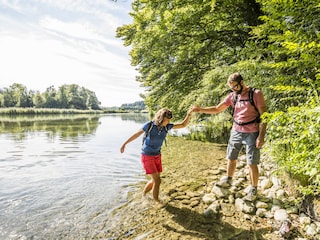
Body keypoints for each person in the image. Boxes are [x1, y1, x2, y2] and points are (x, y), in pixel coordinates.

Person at [193, 72, 267, 201]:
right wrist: (200, 109)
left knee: (252, 162)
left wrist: (261, 136)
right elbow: (217, 109)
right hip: (236, 130)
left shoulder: (256, 94)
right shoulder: (233, 96)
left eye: (236, 87)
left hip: (252, 131)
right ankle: (228, 179)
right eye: (231, 88)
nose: (234, 90)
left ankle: (254, 189)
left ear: (242, 83)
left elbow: (265, 117)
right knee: (231, 157)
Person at [120, 107, 194, 204]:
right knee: (158, 181)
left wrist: (189, 114)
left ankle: (144, 194)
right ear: (160, 118)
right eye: (166, 120)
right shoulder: (149, 125)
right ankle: (157, 201)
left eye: (169, 120)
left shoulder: (166, 127)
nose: (168, 122)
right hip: (147, 156)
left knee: (154, 180)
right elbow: (136, 134)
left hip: (157, 156)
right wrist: (124, 143)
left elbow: (183, 124)